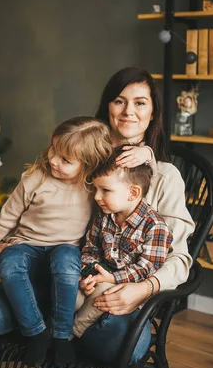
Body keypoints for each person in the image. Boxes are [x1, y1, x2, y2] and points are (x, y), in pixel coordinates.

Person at [0, 67, 195, 368]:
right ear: (107, 107)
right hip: (53, 274)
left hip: (113, 294)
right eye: (119, 101)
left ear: (153, 113)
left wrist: (143, 289)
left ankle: (59, 334)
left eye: (140, 103)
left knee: (128, 347)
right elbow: (31, 209)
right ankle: (48, 331)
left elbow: (180, 259)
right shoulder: (77, 158)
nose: (128, 111)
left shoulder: (165, 177)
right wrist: (7, 243)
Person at [0, 116, 113, 367]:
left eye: (65, 160)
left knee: (66, 259)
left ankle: (61, 336)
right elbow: (6, 218)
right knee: (10, 261)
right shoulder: (35, 178)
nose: (54, 160)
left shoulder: (93, 189)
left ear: (88, 165)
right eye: (53, 149)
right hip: (26, 246)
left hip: (65, 251)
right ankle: (35, 333)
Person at [72, 145, 173, 338]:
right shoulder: (104, 217)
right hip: (100, 277)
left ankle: (72, 333)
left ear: (133, 193)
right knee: (72, 293)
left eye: (105, 190)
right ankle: (55, 326)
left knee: (103, 292)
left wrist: (111, 278)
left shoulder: (155, 226)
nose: (97, 196)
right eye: (95, 189)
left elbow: (147, 268)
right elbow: (90, 247)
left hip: (127, 289)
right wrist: (88, 273)